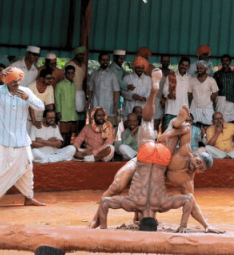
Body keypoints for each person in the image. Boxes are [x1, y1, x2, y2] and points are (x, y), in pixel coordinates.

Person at [90, 73, 222, 232]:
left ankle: (156, 96)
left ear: (201, 172)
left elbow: (191, 203)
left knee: (136, 190)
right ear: (195, 156)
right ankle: (94, 221)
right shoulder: (185, 154)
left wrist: (207, 225)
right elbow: (186, 129)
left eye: (200, 168)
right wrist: (170, 134)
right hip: (147, 160)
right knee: (116, 186)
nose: (196, 167)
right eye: (198, 162)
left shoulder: (187, 181)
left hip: (150, 163)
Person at [0, 67, 47, 210]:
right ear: (6, 81)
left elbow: (41, 107)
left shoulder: (26, 92)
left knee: (27, 168)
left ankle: (28, 197)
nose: (16, 83)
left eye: (18, 80)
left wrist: (27, 98)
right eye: (12, 81)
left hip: (21, 139)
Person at [88, 52, 121, 124]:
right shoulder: (94, 74)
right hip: (95, 104)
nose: (105, 62)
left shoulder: (112, 75)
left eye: (107, 60)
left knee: (108, 127)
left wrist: (115, 105)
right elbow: (90, 91)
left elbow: (116, 91)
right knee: (94, 126)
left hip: (108, 106)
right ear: (99, 61)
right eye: (103, 60)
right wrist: (88, 104)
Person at [162, 56, 192, 131]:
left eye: (186, 65)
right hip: (171, 110)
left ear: (188, 67)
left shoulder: (190, 78)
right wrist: (168, 95)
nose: (183, 67)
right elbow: (164, 90)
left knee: (180, 134)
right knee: (167, 132)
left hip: (183, 112)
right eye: (182, 65)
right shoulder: (171, 75)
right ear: (179, 64)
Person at [213, 54, 234, 123]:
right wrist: (213, 102)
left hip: (231, 100)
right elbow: (213, 89)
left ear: (230, 62)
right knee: (219, 119)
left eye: (226, 60)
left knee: (232, 120)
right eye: (223, 60)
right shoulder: (217, 74)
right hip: (220, 100)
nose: (225, 62)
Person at [55, 65, 79, 146]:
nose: (70, 75)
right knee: (63, 135)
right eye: (68, 73)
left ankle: (68, 150)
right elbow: (57, 99)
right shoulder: (60, 85)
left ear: (74, 74)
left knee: (71, 134)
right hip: (63, 113)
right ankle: (62, 150)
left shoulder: (74, 84)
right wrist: (58, 111)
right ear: (65, 74)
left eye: (72, 73)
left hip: (72, 113)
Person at [189, 60, 218, 127]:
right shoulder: (192, 80)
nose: (199, 70)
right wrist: (197, 99)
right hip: (195, 108)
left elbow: (215, 94)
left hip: (207, 108)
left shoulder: (211, 80)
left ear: (206, 69)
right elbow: (189, 94)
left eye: (201, 68)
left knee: (209, 126)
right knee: (193, 126)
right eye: (198, 68)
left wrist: (207, 100)